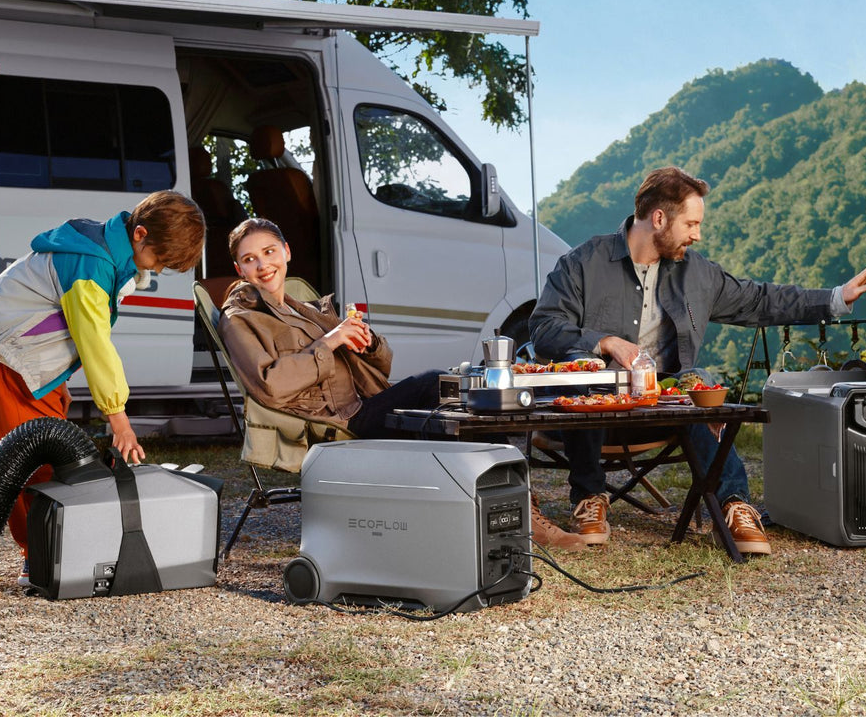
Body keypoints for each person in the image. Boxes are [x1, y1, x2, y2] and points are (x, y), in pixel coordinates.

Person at [528, 166, 866, 554]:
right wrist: (606, 343)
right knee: (591, 374)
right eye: (692, 224)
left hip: (665, 410)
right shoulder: (582, 262)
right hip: (590, 416)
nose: (697, 235)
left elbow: (760, 300)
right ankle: (590, 497)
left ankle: (733, 506)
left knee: (699, 381)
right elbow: (543, 327)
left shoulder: (697, 273)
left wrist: (837, 297)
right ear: (660, 218)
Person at [219, 217, 589, 550]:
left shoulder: (305, 308)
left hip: (365, 403)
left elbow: (381, 367)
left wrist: (367, 341)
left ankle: (512, 505)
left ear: (286, 252)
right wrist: (330, 341)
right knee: (435, 386)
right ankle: (518, 510)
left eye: (269, 252)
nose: (263, 264)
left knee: (454, 395)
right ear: (239, 268)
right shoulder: (240, 320)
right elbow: (270, 384)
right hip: (335, 421)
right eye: (250, 259)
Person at [0, 190, 206, 583]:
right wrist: (119, 419)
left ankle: (51, 538)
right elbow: (95, 345)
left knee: (50, 437)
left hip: (31, 344)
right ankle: (38, 554)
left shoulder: (109, 247)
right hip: (12, 344)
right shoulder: (91, 267)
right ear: (140, 233)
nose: (157, 270)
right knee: (29, 451)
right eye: (159, 261)